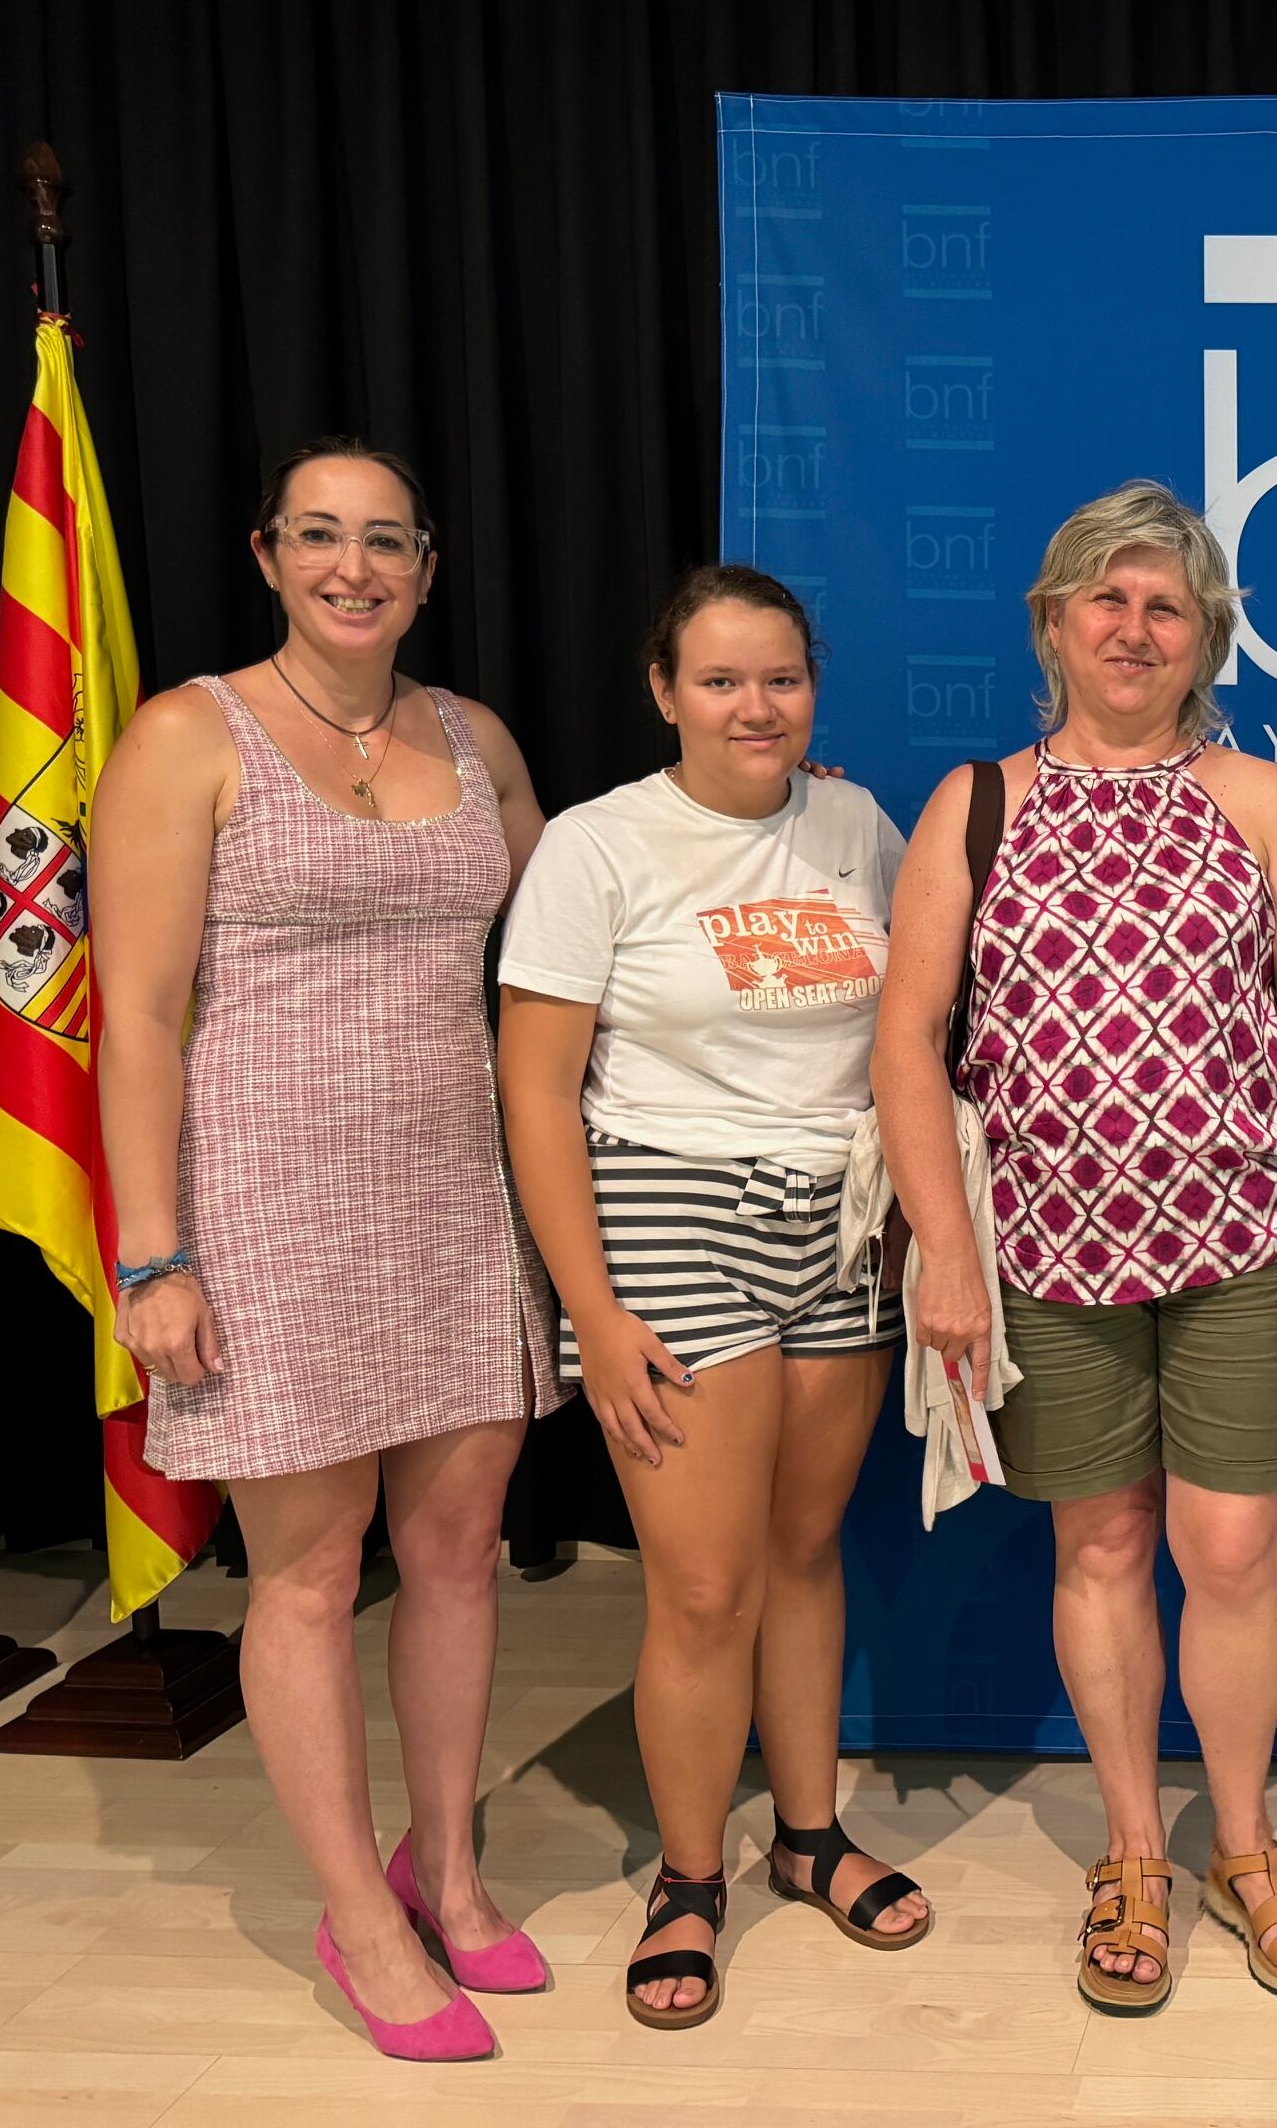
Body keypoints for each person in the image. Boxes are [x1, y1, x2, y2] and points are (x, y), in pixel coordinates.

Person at [92, 438, 564, 2062]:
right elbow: (137, 1019)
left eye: (385, 541)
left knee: (456, 1546)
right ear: (269, 555)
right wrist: (152, 1258)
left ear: (428, 567)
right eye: (320, 537)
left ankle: (446, 1862)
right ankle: (359, 1919)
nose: (352, 566)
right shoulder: (184, 737)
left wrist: (778, 824)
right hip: (264, 1210)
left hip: (454, 1196)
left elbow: (580, 920)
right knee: (305, 1567)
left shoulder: (475, 737)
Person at [876, 482, 1277, 2012]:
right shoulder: (977, 803)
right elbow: (908, 1036)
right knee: (1098, 1543)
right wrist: (945, 1250)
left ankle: (1243, 1841)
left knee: (1227, 1548)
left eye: (1165, 605)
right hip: (1040, 1256)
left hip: (1241, 1242)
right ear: (1053, 621)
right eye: (1107, 599)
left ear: (1205, 634)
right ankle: (1134, 1848)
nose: (1134, 628)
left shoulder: (1262, 801)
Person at [495, 566, 929, 2030]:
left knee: (804, 1549)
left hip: (842, 1220)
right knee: (699, 1581)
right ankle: (690, 1874)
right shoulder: (596, 846)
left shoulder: (860, 823)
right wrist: (593, 1309)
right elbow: (538, 1094)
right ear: (663, 688)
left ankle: (805, 1836)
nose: (759, 706)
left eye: (784, 679)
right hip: (670, 1215)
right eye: (726, 680)